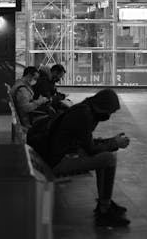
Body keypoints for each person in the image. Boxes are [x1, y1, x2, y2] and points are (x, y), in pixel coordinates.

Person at [42, 89, 130, 227]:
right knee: (108, 159)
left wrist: (111, 141)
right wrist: (114, 143)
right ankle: (104, 210)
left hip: (63, 153)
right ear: (104, 106)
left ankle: (104, 202)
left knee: (106, 156)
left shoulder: (85, 109)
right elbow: (91, 149)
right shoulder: (84, 115)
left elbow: (86, 142)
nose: (110, 115)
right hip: (58, 161)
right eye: (110, 111)